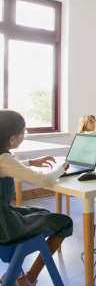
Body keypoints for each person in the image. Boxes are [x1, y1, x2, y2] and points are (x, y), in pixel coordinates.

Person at [0, 110, 73, 286]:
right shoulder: (3, 159)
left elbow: (8, 167)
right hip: (4, 227)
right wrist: (62, 167)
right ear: (11, 138)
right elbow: (46, 180)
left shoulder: (3, 158)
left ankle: (15, 273)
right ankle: (29, 278)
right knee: (64, 222)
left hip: (4, 217)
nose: (23, 136)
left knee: (42, 211)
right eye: (23, 133)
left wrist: (31, 162)